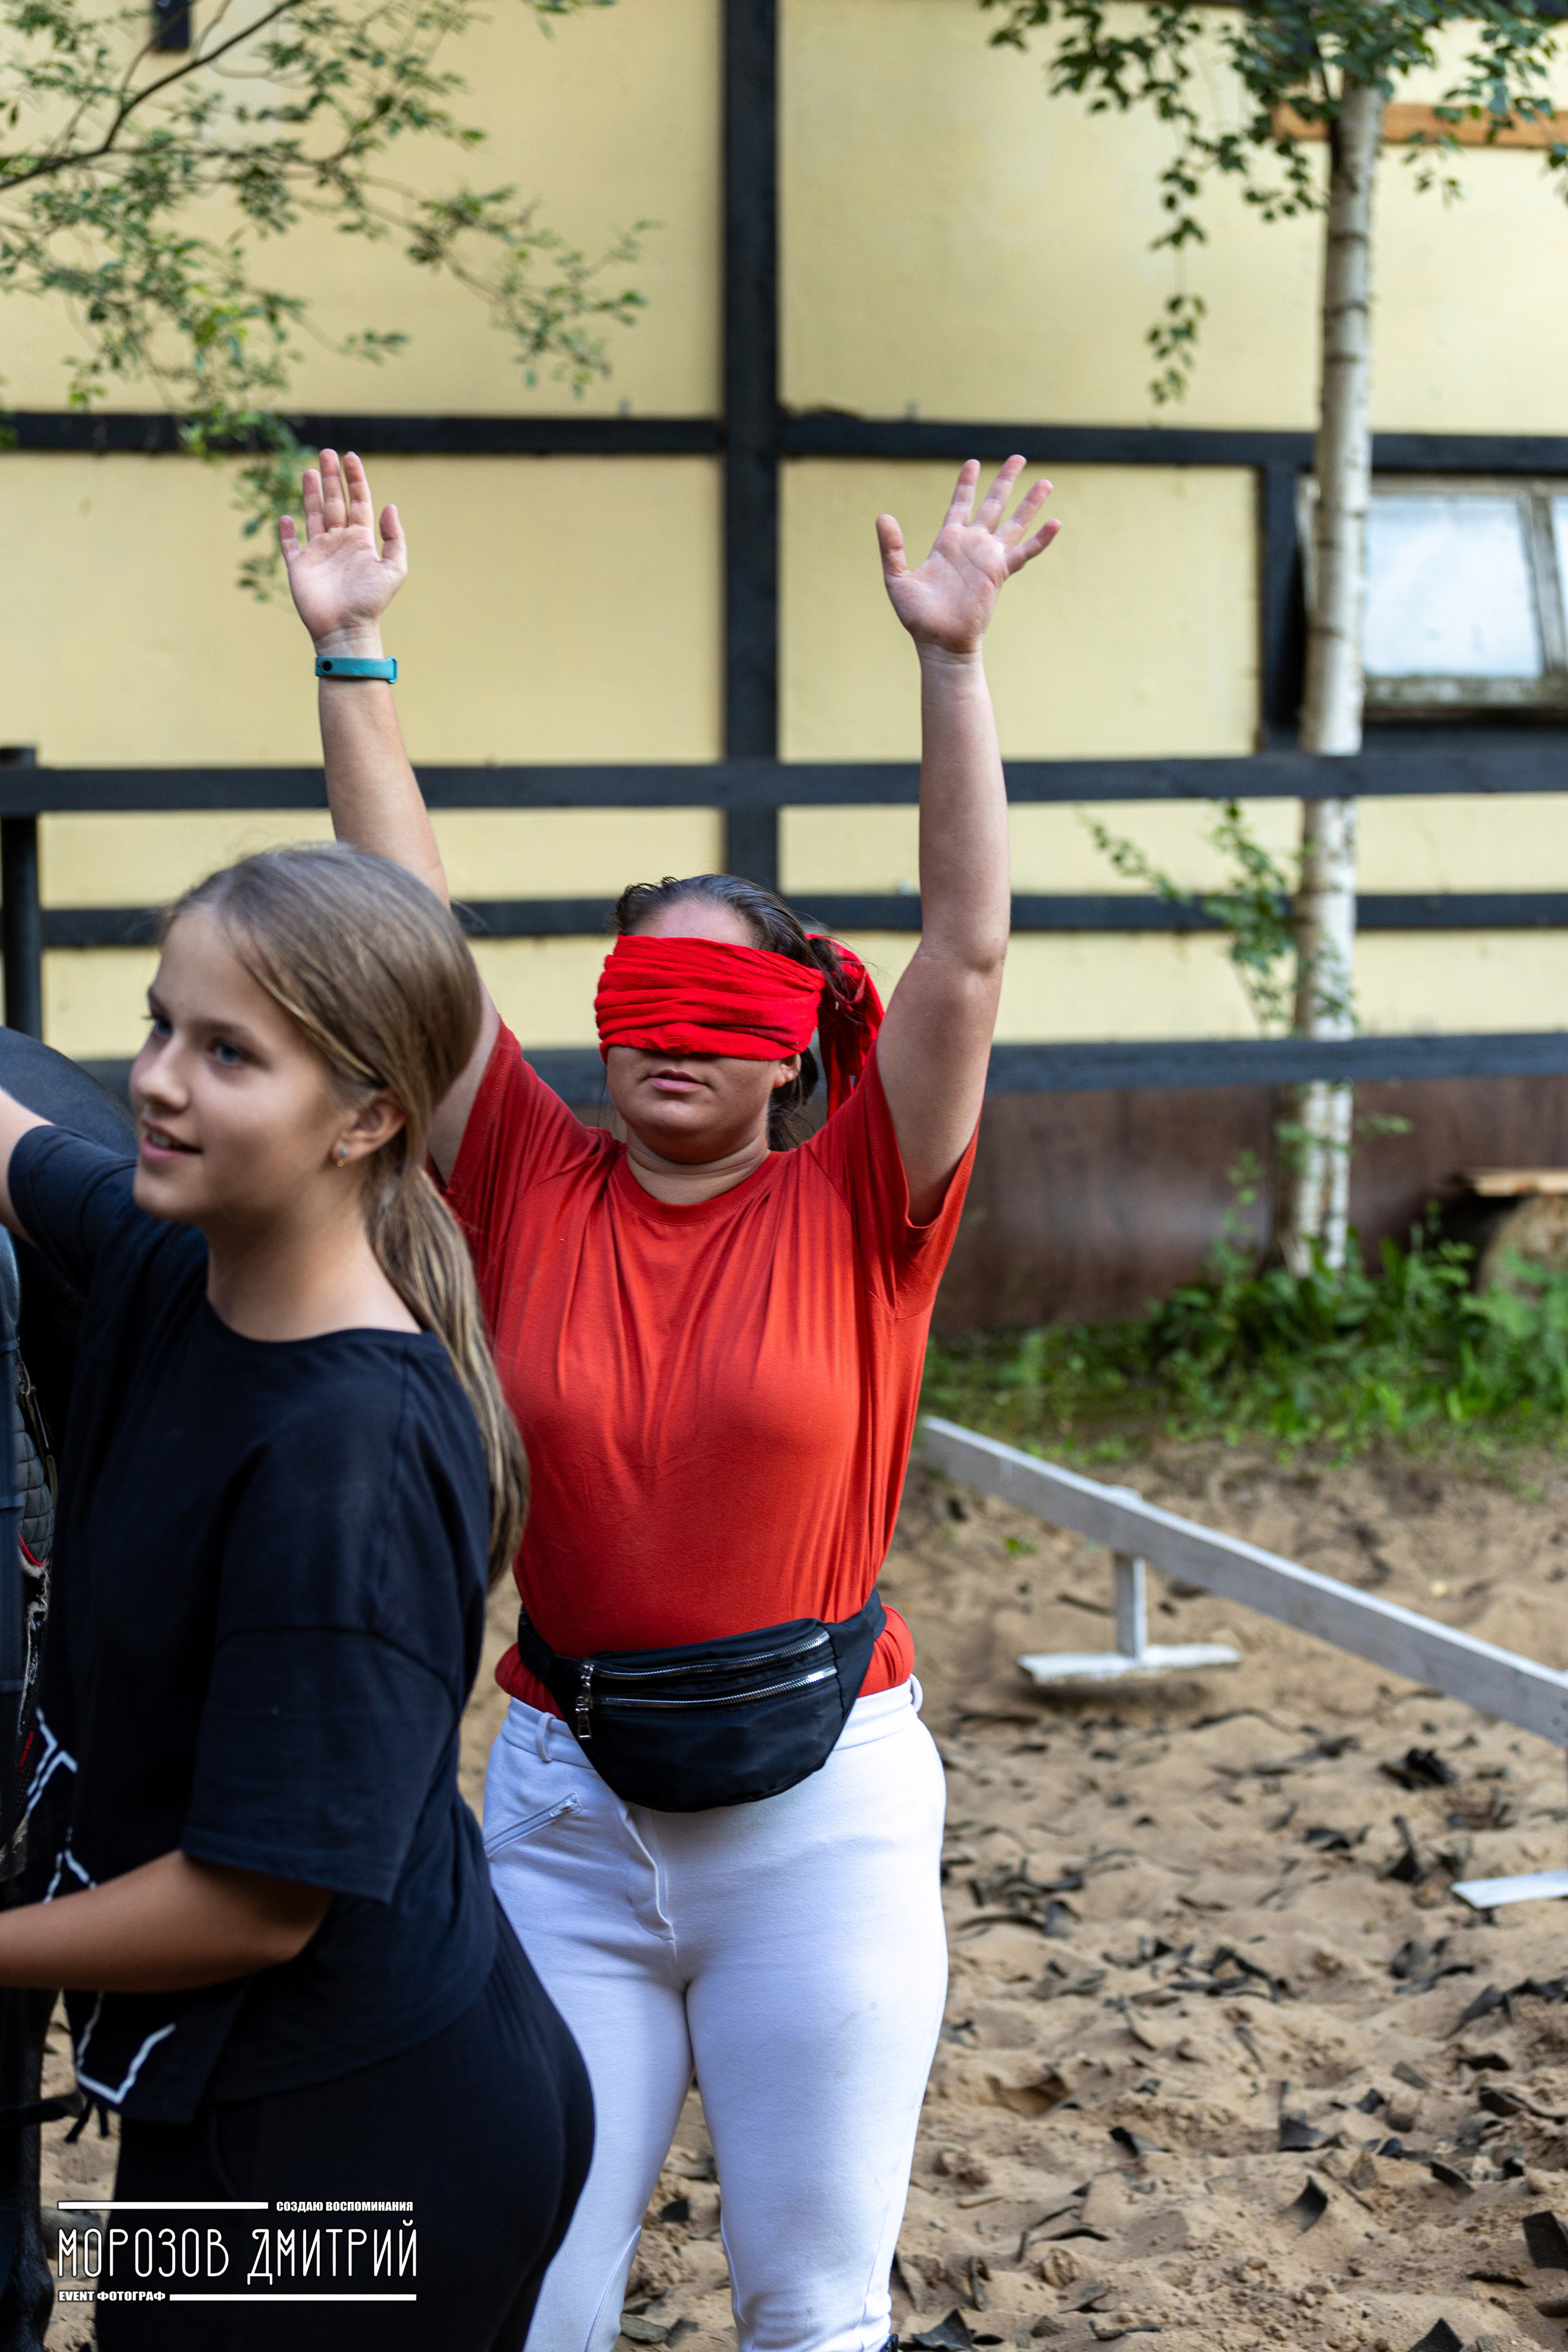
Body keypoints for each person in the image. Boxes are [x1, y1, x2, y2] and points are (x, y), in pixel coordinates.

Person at [281, 447, 1060, 2352]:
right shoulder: (526, 1176)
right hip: (563, 1802)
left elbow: (963, 953)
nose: (665, 1050)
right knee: (531, 2286)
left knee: (809, 2302)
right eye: (637, 1008)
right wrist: (355, 651)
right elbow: (407, 930)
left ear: (798, 1047)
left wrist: (954, 667)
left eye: (717, 1015)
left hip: (823, 1820)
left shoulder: (871, 1197)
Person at [0, 843, 592, 2350]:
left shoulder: (353, 1461)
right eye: (157, 1027)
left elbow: (255, 1902)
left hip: (360, 2154)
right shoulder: (165, 1263)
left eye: (228, 1055)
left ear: (372, 1114)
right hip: (232, 2100)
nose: (155, 1081)